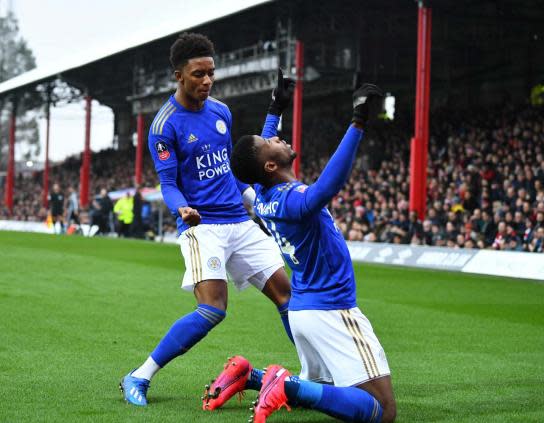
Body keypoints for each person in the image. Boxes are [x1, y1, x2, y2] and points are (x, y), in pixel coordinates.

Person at [119, 33, 294, 407]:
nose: (207, 81)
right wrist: (182, 208)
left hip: (239, 221)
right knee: (213, 308)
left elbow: (230, 169)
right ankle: (139, 375)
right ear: (178, 76)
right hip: (202, 228)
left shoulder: (220, 112)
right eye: (198, 74)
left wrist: (252, 200)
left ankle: (319, 377)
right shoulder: (164, 126)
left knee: (287, 295)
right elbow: (168, 183)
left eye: (211, 73)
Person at [223, 82, 396, 422]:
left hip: (305, 310)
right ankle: (285, 386)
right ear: (270, 166)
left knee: (325, 387)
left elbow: (258, 154)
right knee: (382, 411)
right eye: (271, 142)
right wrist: (358, 121)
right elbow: (328, 186)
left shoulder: (265, 192)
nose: (276, 138)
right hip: (331, 309)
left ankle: (252, 376)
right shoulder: (291, 201)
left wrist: (276, 108)